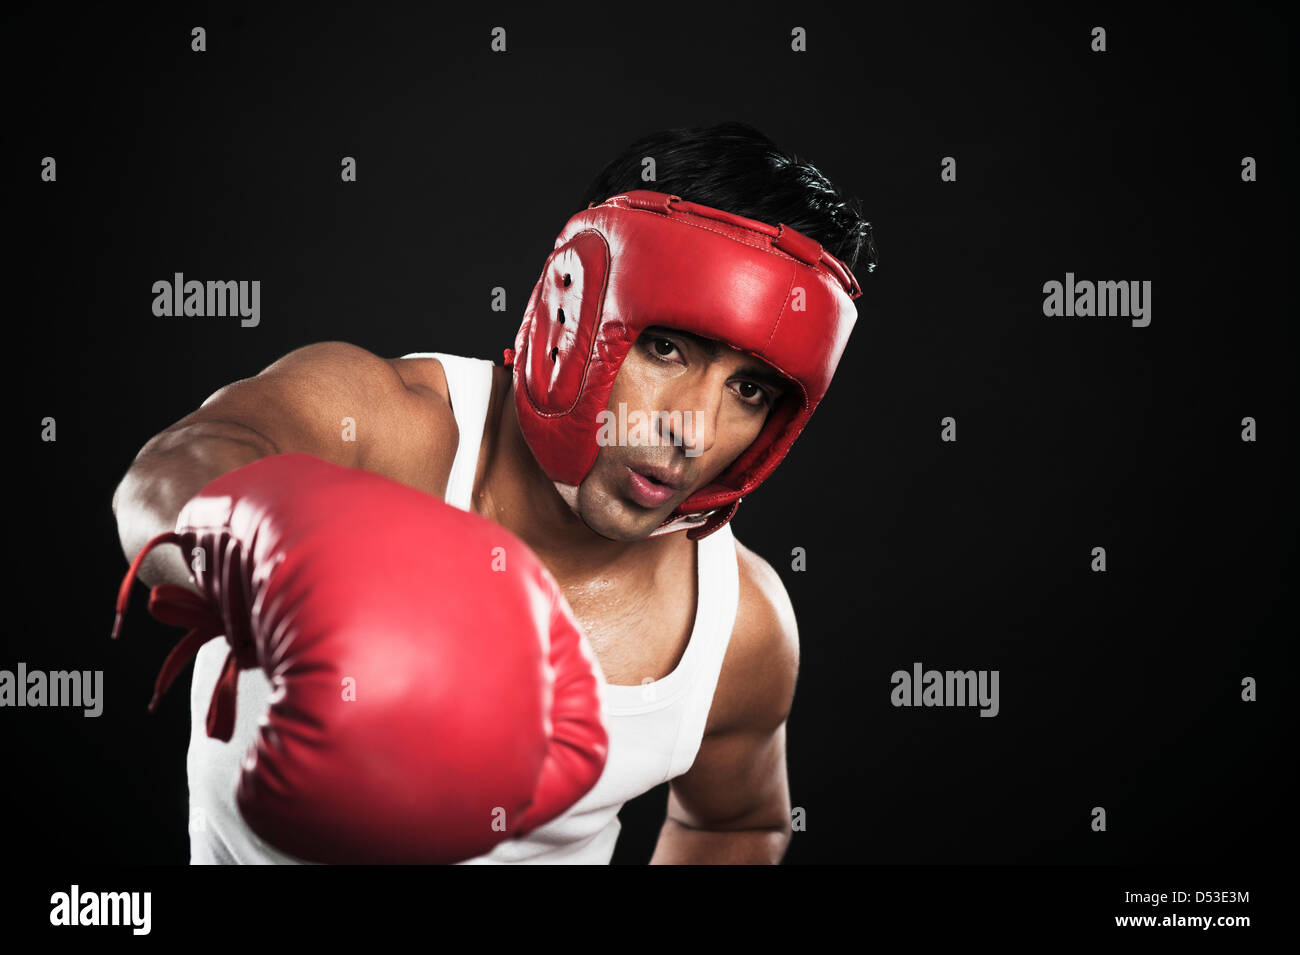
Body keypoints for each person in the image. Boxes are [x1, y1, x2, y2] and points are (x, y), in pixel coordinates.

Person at [112, 120, 877, 864]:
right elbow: (171, 469)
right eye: (667, 347)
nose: (694, 432)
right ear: (573, 310)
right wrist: (290, 571)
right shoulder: (387, 429)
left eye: (748, 389)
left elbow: (734, 824)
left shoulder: (737, 626)